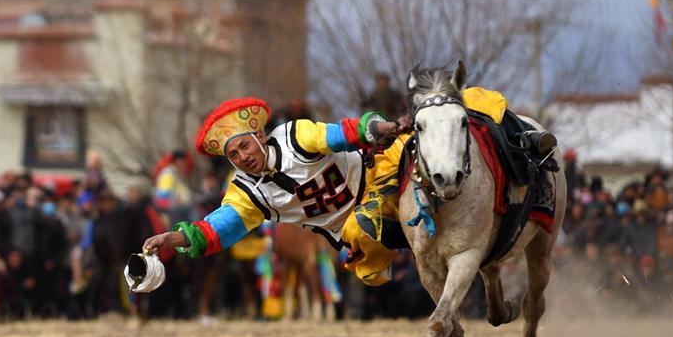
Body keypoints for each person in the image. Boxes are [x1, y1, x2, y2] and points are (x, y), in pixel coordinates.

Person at [145, 82, 556, 286]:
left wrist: (388, 127)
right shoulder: (246, 193)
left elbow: (343, 132)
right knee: (362, 232)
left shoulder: (294, 135)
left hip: (383, 175)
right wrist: (172, 240)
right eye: (233, 156)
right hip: (359, 236)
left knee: (448, 115)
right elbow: (214, 231)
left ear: (258, 136)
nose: (242, 158)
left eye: (244, 147)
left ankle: (518, 143)